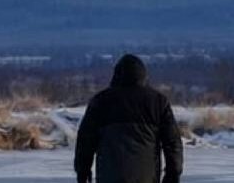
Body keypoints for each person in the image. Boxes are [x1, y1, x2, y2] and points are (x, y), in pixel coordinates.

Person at [75, 54, 183, 183]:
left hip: (109, 177)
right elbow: (172, 142)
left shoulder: (101, 101)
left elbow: (85, 140)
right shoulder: (158, 102)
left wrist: (82, 170)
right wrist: (173, 172)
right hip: (146, 177)